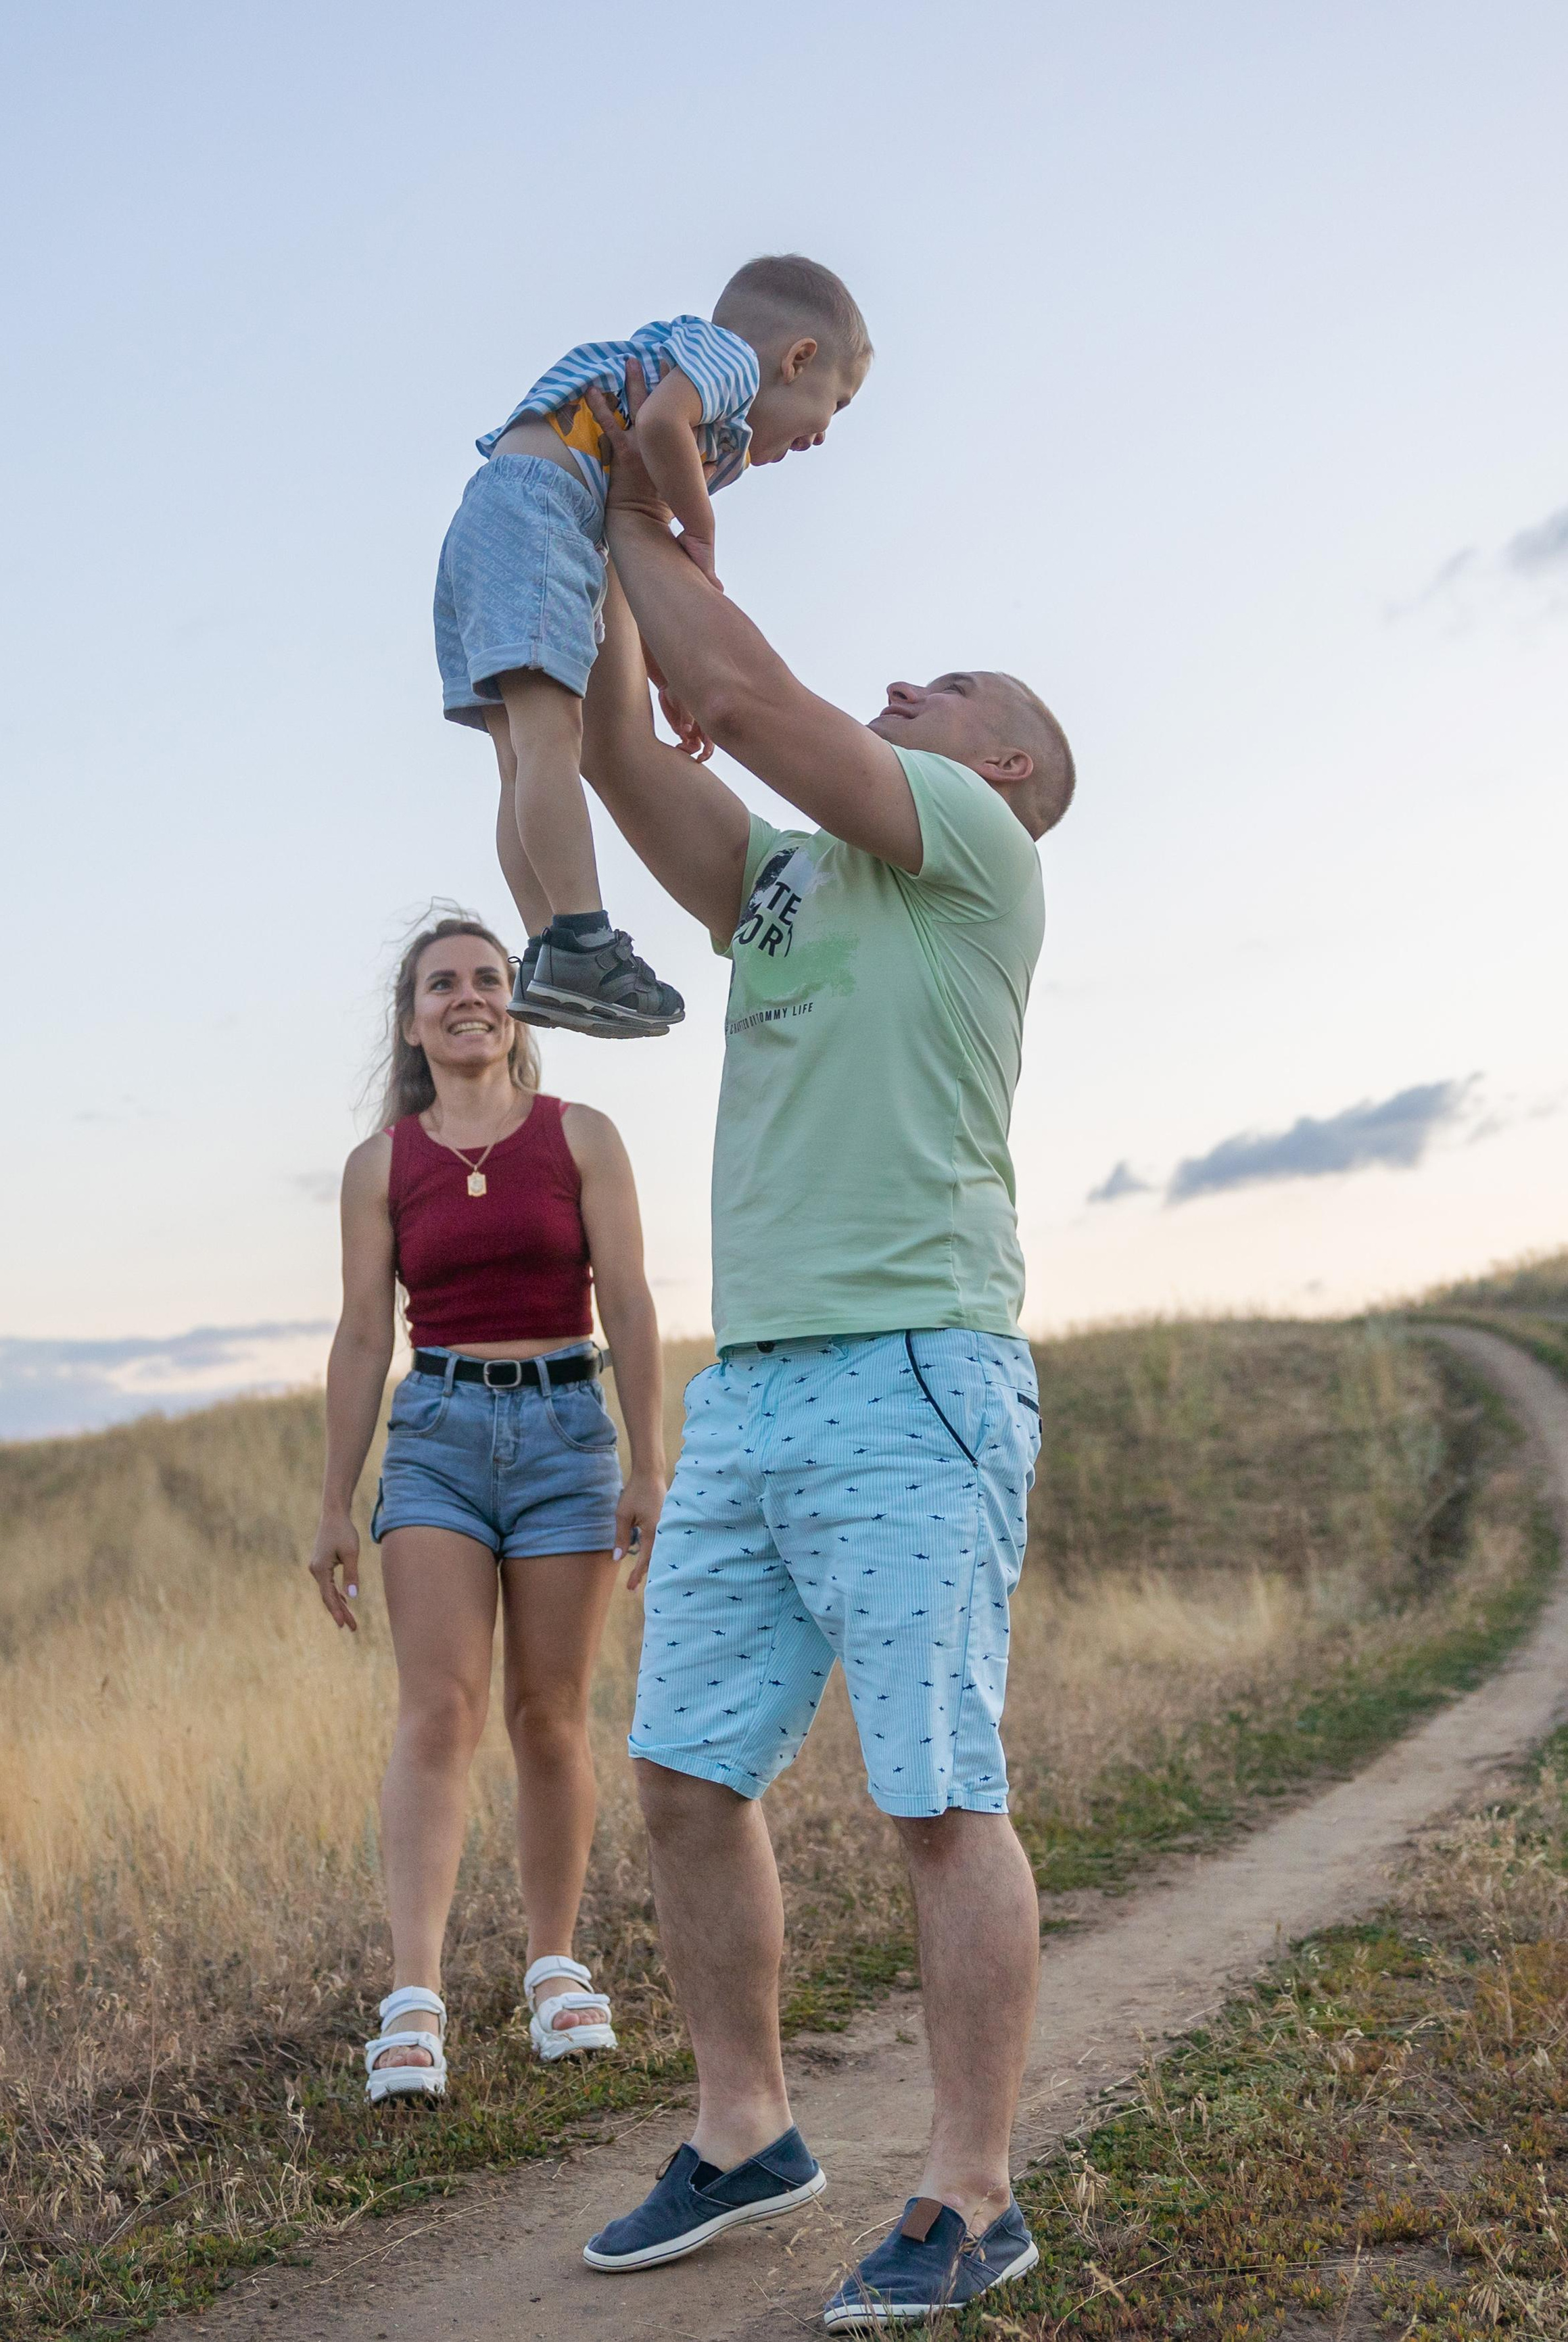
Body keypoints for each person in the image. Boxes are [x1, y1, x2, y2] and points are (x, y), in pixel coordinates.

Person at [571, 373, 1076, 2325]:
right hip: (761, 1384)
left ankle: (971, 2190)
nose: (906, 692)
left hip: (917, 1372)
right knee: (687, 1774)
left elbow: (759, 702)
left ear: (1009, 768)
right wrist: (576, 554)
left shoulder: (969, 850)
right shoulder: (786, 883)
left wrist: (636, 500)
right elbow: (632, 748)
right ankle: (744, 2125)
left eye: (946, 688)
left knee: (939, 1793)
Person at [307, 913, 667, 2103]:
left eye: (489, 979)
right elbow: (364, 1334)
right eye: (441, 982)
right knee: (440, 1708)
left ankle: (555, 1969)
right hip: (439, 1443)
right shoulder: (384, 1163)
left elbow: (629, 1296)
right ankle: (413, 2001)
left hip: (569, 1434)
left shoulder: (582, 1138)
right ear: (413, 1019)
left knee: (551, 1714)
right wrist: (333, 1502)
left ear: (518, 1006)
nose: (468, 995)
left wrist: (648, 1462)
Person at [434, 254, 872, 1040]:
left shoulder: (711, 420)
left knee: (521, 753)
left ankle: (549, 952)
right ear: (797, 357)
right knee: (549, 743)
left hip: (507, 517)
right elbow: (660, 424)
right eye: (834, 403)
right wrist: (701, 536)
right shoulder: (724, 360)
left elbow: (624, 542)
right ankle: (580, 939)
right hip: (543, 507)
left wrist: (664, 671)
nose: (821, 437)